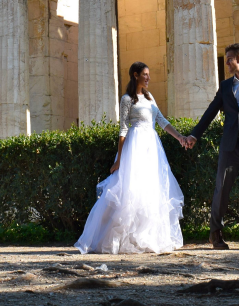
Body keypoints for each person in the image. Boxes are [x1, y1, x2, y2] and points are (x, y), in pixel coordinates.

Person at [74, 61, 192, 254]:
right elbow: (123, 129)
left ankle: (148, 237)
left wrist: (180, 137)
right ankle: (120, 239)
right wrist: (119, 160)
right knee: (131, 190)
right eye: (145, 74)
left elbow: (161, 120)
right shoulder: (127, 99)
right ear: (135, 75)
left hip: (152, 147)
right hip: (135, 146)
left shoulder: (149, 96)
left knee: (151, 189)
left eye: (149, 74)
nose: (149, 77)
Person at [181, 42, 239, 251]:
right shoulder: (225, 87)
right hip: (229, 146)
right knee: (221, 190)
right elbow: (210, 112)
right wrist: (195, 135)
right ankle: (216, 235)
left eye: (230, 60)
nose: (227, 64)